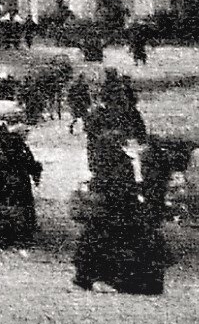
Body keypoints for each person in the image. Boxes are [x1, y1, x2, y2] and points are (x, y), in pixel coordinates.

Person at [73, 114, 170, 295]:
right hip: (122, 213)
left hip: (118, 212)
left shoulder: (117, 163)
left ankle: (99, 279)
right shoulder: (123, 163)